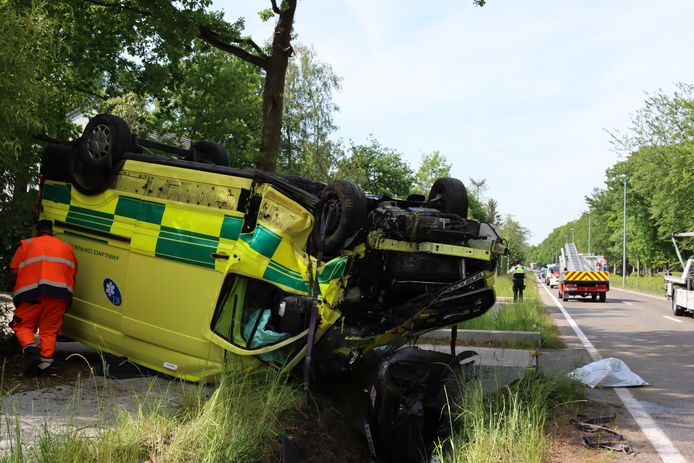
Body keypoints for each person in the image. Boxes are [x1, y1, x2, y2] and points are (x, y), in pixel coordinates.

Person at [8, 220, 77, 377]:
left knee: (22, 325)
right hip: (60, 296)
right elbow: (73, 273)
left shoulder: (27, 245)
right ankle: (44, 368)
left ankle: (31, 351)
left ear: (37, 231)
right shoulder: (66, 248)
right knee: (49, 332)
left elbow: (13, 271)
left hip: (32, 294)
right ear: (51, 231)